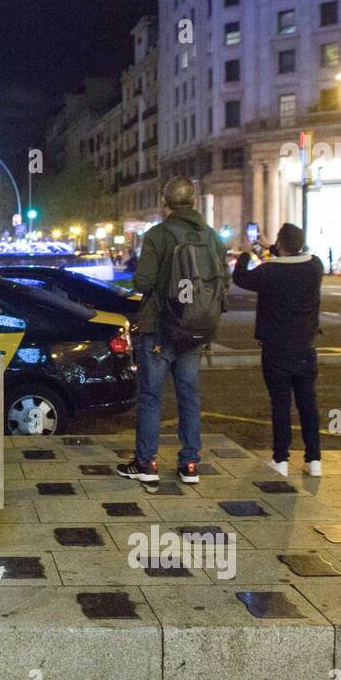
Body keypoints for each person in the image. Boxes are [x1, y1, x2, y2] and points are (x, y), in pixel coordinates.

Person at [116, 178, 228, 484]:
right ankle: (190, 464)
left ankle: (146, 464)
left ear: (165, 203)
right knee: (189, 396)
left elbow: (142, 283)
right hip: (195, 329)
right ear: (194, 202)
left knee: (151, 396)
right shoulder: (212, 237)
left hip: (159, 328)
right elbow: (223, 280)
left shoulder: (158, 235)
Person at [232, 222, 323, 478]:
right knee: (308, 403)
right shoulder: (315, 267)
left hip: (276, 348)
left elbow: (240, 277)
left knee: (280, 405)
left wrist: (247, 253)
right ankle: (314, 459)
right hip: (306, 347)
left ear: (281, 245)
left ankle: (281, 459)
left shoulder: (268, 272)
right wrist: (270, 246)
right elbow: (294, 255)